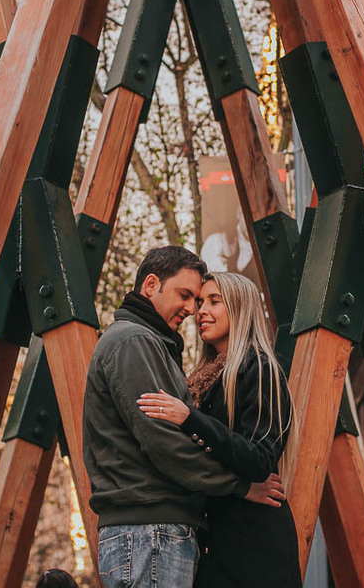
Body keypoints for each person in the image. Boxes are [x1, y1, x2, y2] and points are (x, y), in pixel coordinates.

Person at [83, 247, 285, 588]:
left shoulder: (155, 346)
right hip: (150, 532)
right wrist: (238, 485)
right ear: (151, 285)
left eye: (205, 301)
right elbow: (164, 442)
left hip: (156, 533)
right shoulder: (134, 341)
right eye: (186, 295)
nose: (193, 309)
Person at [137, 272, 301, 588]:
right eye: (200, 303)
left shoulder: (260, 368)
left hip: (254, 549)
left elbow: (259, 459)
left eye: (214, 301)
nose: (201, 311)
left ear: (240, 308)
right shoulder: (203, 380)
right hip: (214, 544)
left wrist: (190, 419)